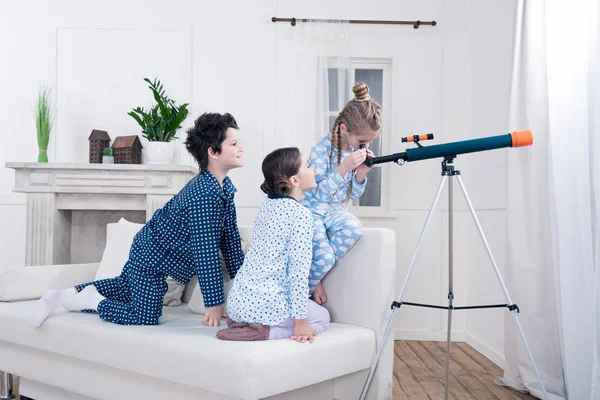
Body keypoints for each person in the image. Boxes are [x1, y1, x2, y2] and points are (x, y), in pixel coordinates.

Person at [29, 112, 245, 328]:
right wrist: (214, 303)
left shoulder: (223, 189)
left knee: (123, 286)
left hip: (152, 250)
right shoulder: (204, 194)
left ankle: (64, 295)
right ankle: (94, 301)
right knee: (145, 317)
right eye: (234, 144)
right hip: (150, 255)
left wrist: (244, 286)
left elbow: (231, 242)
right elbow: (205, 251)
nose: (240, 148)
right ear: (213, 152)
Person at [217, 147, 330, 343]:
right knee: (323, 318)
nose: (313, 170)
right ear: (294, 181)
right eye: (308, 166)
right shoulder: (301, 215)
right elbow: (298, 273)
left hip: (238, 302)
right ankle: (265, 332)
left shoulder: (267, 206)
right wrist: (300, 322)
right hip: (267, 302)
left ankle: (244, 323)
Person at [301, 82, 382, 305]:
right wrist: (344, 167)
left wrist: (361, 174)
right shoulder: (321, 149)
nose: (365, 146)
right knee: (326, 256)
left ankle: (316, 273)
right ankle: (304, 291)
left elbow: (353, 194)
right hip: (312, 212)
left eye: (371, 142)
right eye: (363, 141)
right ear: (345, 129)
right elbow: (317, 195)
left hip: (334, 210)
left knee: (354, 228)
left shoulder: (354, 151)